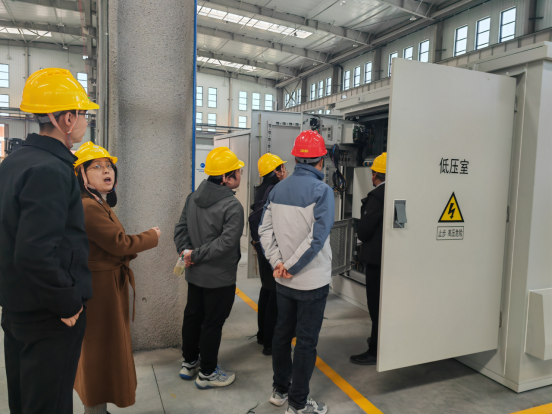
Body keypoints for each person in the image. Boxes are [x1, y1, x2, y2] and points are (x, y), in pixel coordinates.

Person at [0, 68, 97, 414]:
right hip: (48, 315)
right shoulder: (50, 169)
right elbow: (35, 252)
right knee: (49, 405)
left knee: (26, 401)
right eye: (83, 114)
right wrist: (67, 303)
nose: (85, 121)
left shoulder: (15, 162)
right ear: (67, 119)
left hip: (19, 306)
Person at [72, 142, 161, 414]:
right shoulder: (88, 207)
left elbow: (112, 245)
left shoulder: (96, 202)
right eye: (96, 167)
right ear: (81, 175)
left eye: (109, 166)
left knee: (105, 351)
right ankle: (94, 410)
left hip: (107, 286)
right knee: (99, 352)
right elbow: (119, 243)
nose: (106, 171)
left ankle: (98, 408)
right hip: (101, 290)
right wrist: (152, 236)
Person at [259, 130, 335, 414]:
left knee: (281, 335)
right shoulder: (323, 191)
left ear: (295, 159)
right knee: (305, 342)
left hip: (283, 281)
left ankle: (280, 390)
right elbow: (317, 239)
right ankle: (298, 404)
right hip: (311, 282)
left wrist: (278, 263)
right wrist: (290, 266)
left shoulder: (277, 190)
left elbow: (264, 230)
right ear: (320, 160)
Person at [174, 147, 245, 389]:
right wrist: (193, 254)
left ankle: (189, 362)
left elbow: (180, 229)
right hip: (219, 278)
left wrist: (186, 253)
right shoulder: (232, 206)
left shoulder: (192, 197)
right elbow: (227, 243)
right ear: (225, 177)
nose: (240, 174)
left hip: (194, 274)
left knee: (193, 317)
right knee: (212, 324)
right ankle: (207, 373)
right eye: (237, 171)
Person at [350, 152, 386, 366]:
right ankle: (380, 341)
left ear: (374, 175)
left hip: (376, 261)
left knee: (376, 305)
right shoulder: (401, 193)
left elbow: (364, 231)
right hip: (392, 260)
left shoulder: (377, 197)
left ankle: (375, 350)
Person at [251, 153, 288, 356]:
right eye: (282, 167)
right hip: (272, 248)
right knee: (274, 295)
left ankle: (262, 335)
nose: (285, 171)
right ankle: (270, 343)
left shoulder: (262, 189)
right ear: (276, 171)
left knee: (266, 291)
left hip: (261, 246)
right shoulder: (275, 190)